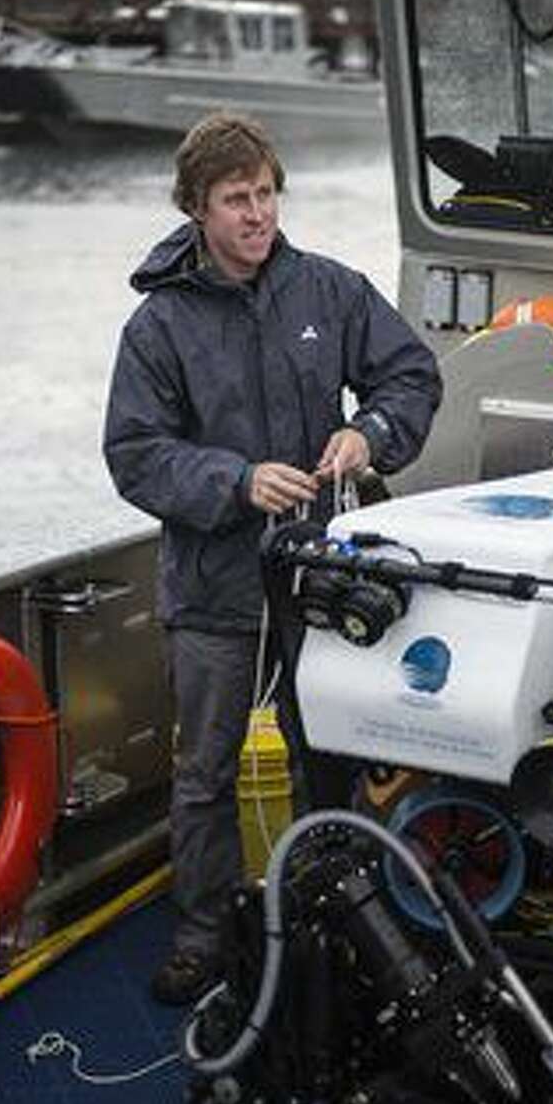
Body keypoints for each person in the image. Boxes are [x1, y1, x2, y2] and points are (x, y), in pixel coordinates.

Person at [104, 111, 442, 1004]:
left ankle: (342, 919)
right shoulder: (158, 327)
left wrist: (369, 435)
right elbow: (134, 454)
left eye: (264, 194)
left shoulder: (329, 292)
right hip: (213, 594)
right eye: (235, 200)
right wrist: (235, 479)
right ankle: (205, 934)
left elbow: (412, 376)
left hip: (318, 588)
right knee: (205, 778)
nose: (257, 214)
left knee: (325, 761)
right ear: (196, 210)